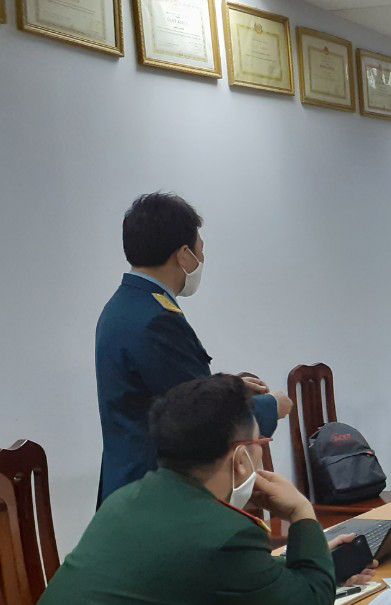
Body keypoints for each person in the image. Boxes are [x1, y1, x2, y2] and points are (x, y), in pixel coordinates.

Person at [1, 375, 375, 605]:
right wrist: (301, 512)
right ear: (241, 458)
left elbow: (201, 571)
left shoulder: (126, 500)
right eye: (261, 442)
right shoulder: (223, 533)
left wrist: (310, 559)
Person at [95, 192, 291, 504]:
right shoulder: (157, 320)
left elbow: (169, 389)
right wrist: (272, 407)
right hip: (155, 497)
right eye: (200, 248)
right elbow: (196, 418)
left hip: (128, 487)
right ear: (184, 255)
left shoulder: (123, 305)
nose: (202, 257)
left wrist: (230, 387)